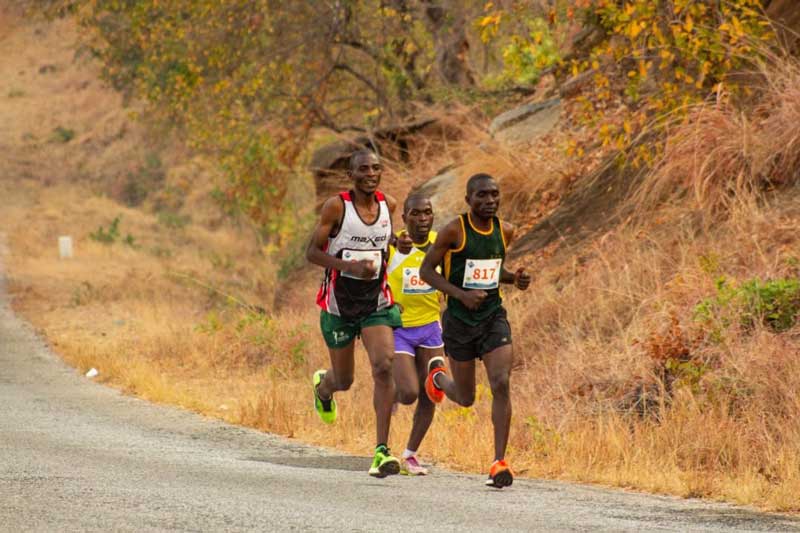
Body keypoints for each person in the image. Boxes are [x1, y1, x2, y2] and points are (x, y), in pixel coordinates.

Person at [419, 173, 531, 488]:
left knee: (501, 382)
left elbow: (495, 271)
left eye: (494, 194)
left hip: (493, 317)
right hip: (458, 321)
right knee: (466, 397)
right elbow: (426, 271)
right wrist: (461, 295)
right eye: (482, 195)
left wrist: (516, 279)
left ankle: (499, 462)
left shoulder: (505, 230)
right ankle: (437, 378)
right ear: (468, 200)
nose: (490, 201)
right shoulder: (454, 231)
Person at [307, 148, 403, 478]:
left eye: (376, 168)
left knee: (384, 364)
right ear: (352, 175)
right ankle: (323, 387)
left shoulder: (389, 205)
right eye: (364, 169)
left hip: (375, 302)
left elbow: (385, 238)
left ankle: (381, 451)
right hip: (338, 306)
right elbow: (311, 252)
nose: (371, 174)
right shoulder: (337, 207)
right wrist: (349, 265)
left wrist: (397, 242)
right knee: (344, 380)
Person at [386, 194, 443, 476]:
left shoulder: (440, 244)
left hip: (431, 327)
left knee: (432, 391)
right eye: (416, 214)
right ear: (404, 217)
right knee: (409, 392)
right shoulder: (393, 244)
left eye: (428, 213)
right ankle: (393, 392)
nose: (422, 219)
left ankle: (410, 455)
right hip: (400, 329)